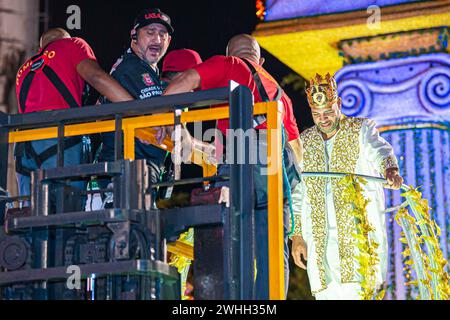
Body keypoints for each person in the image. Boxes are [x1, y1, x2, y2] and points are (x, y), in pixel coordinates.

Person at [163, 34, 302, 299]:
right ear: (260, 60)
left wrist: (169, 123)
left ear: (231, 53)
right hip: (275, 173)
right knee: (271, 252)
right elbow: (296, 151)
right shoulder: (281, 95)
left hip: (241, 159)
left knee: (226, 242)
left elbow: (182, 83)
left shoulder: (229, 65)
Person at [290, 73, 403, 300]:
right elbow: (298, 191)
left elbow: (380, 151)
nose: (323, 119)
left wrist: (389, 169)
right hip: (319, 239)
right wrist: (297, 236)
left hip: (357, 234)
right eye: (316, 114)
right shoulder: (305, 141)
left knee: (361, 291)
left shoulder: (360, 129)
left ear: (338, 104)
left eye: (328, 112)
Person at [14, 28, 133, 199]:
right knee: (69, 209)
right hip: (60, 137)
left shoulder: (23, 69)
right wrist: (137, 109)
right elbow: (96, 77)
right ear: (65, 38)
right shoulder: (72, 44)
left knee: (31, 213)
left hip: (23, 146)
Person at [98, 8, 174, 203]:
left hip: (132, 167)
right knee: (135, 228)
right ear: (134, 36)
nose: (157, 39)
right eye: (150, 32)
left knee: (138, 229)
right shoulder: (133, 67)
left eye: (162, 34)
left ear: (169, 41)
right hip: (131, 168)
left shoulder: (145, 69)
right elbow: (160, 120)